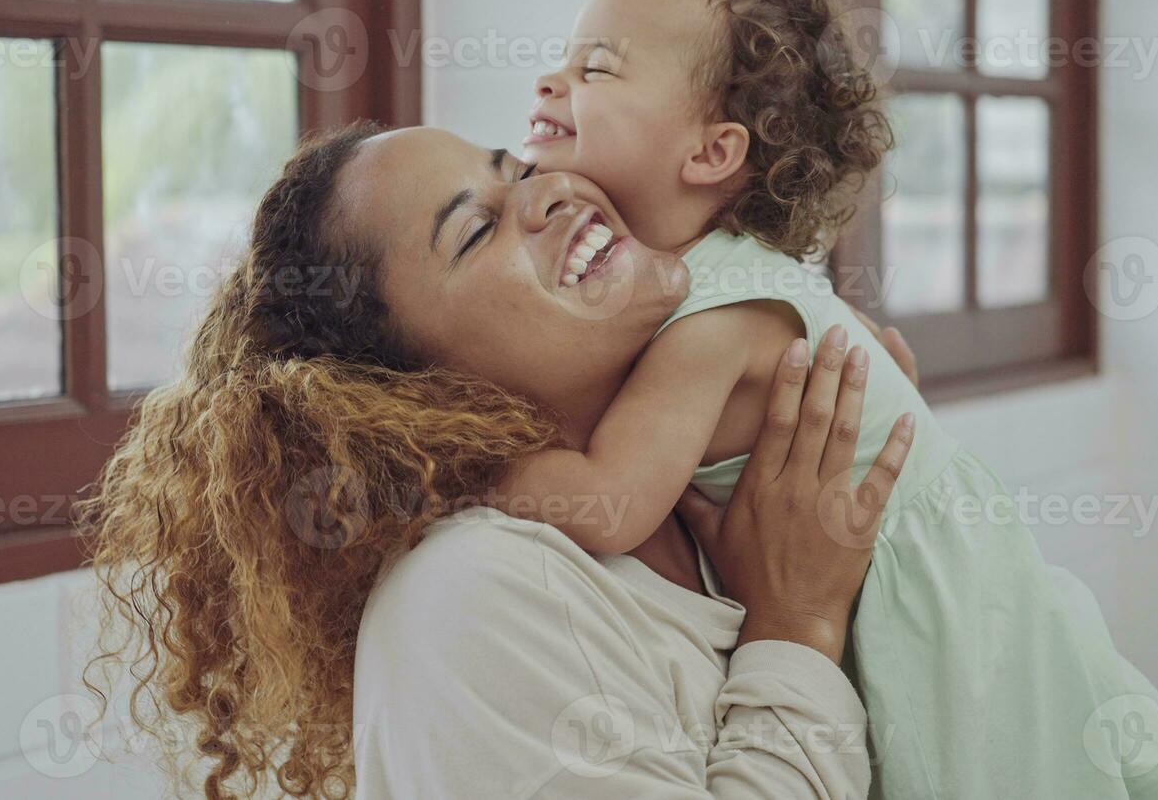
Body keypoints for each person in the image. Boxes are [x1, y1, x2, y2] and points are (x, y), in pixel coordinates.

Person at [505, 0, 1158, 799]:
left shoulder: (715, 320)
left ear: (711, 153)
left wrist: (443, 462)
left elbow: (609, 503)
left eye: (597, 69)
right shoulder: (723, 280)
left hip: (949, 617)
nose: (549, 80)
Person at [85, 123, 916, 798]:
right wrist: (797, 624)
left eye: (515, 167)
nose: (546, 193)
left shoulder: (698, 479)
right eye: (477, 228)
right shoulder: (469, 593)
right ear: (402, 388)